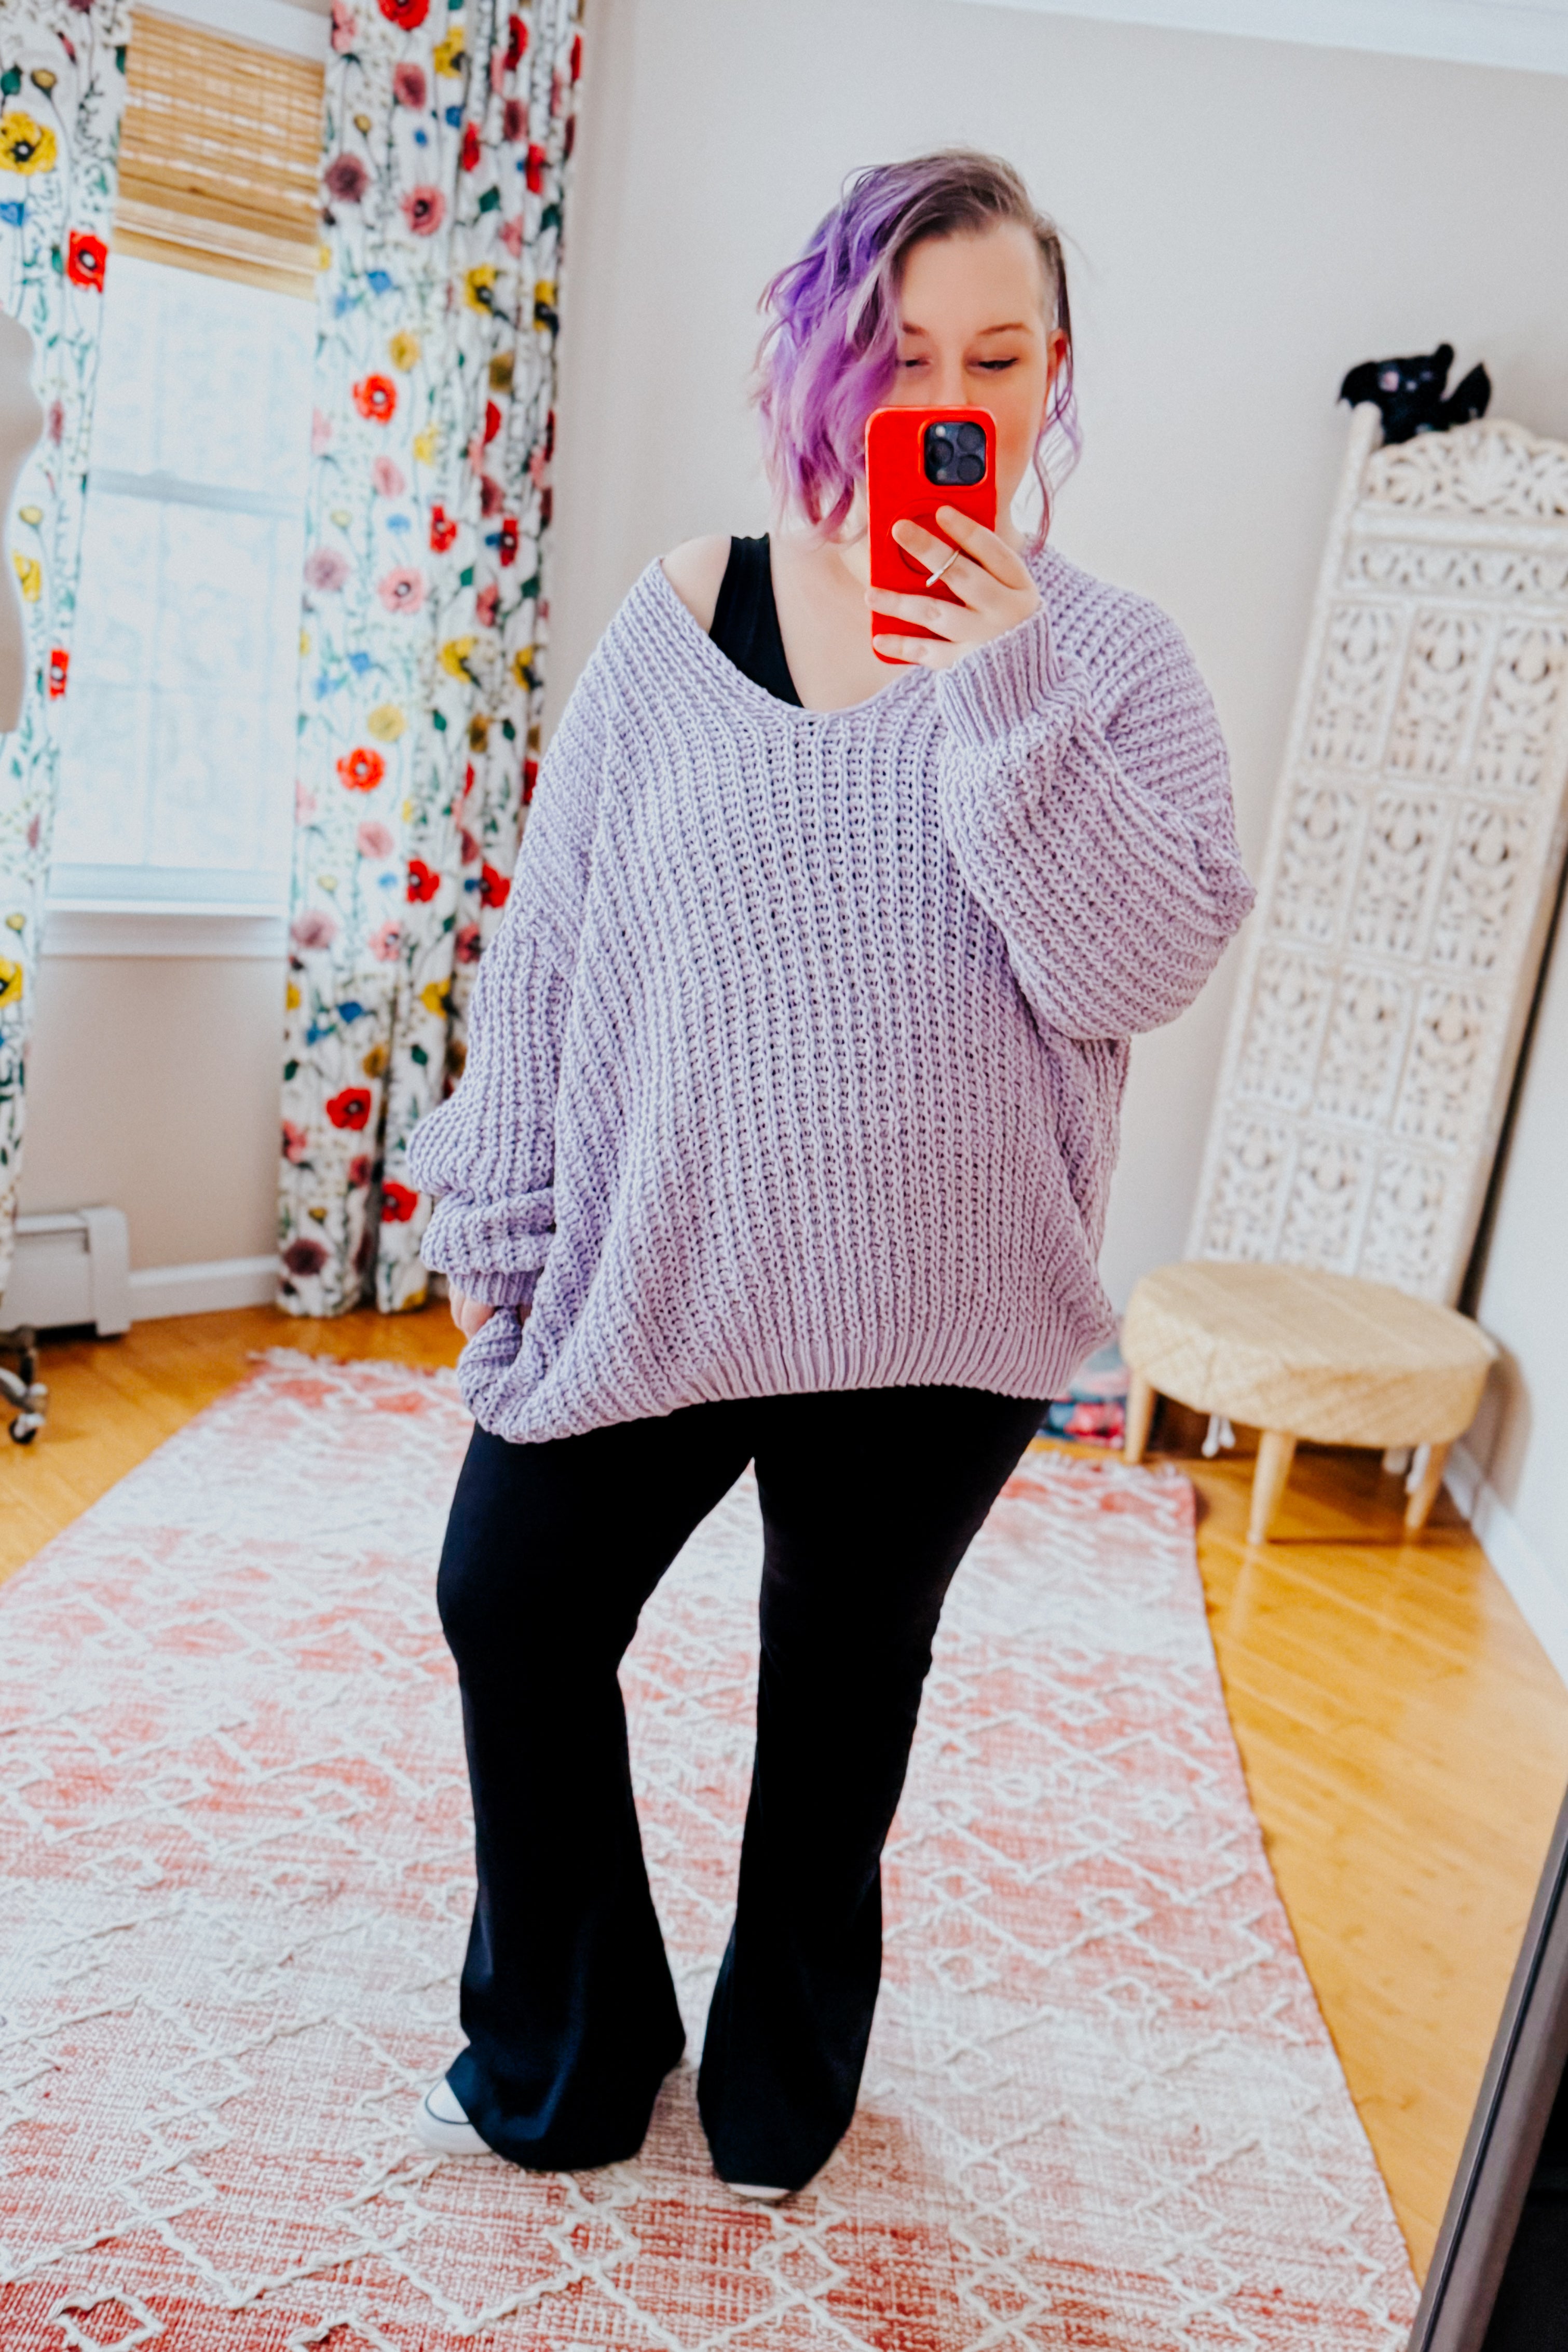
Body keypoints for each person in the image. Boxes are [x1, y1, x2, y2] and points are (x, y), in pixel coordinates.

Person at [405, 149, 1255, 2200]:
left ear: (1052, 376)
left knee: (836, 1696)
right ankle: (572, 2032)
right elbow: (562, 939)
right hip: (667, 1261)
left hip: (949, 1302)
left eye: (1001, 352)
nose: (950, 388)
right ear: (832, 353)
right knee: (507, 1598)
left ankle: (785, 2075)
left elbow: (1132, 963)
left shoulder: (1111, 662)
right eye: (907, 350)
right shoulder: (686, 615)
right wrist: (505, 1223)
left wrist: (1008, 688)